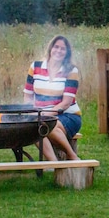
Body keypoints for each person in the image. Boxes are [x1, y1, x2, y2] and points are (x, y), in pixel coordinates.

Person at [24, 35, 82, 163]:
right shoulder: (35, 67)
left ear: (67, 53)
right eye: (56, 47)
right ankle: (53, 163)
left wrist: (45, 114)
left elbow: (66, 103)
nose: (59, 51)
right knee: (35, 127)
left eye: (63, 49)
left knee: (47, 125)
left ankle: (72, 156)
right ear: (51, 48)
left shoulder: (71, 70)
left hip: (67, 115)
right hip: (42, 116)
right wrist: (31, 112)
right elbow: (28, 95)